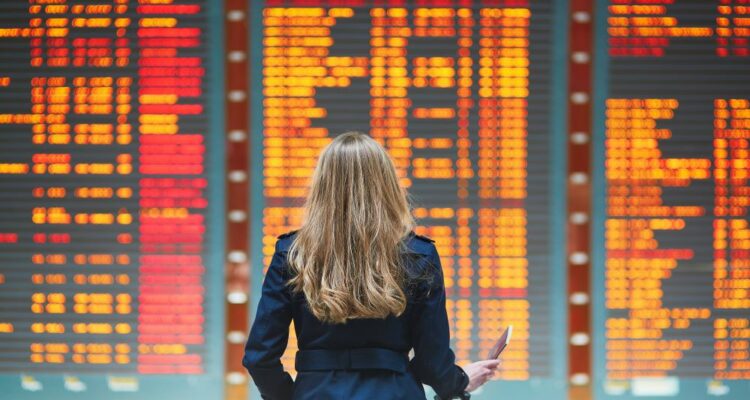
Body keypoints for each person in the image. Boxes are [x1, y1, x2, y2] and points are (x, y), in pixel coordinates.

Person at [242, 131, 500, 399]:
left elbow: (260, 357)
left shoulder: (292, 254)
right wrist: (458, 381)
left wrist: (291, 395)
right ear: (386, 183)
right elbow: (432, 362)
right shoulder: (419, 255)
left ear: (321, 185)